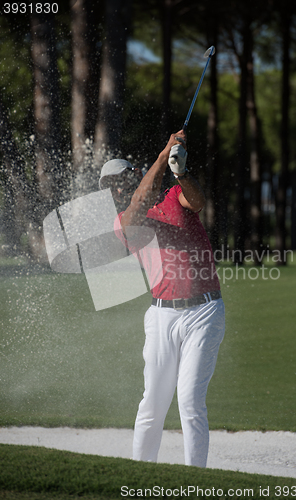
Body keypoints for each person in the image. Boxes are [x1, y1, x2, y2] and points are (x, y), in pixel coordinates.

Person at [99, 130, 225, 467]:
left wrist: (180, 172)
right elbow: (138, 205)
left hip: (204, 312)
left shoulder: (173, 196)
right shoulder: (123, 222)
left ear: (136, 176)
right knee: (152, 404)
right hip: (160, 317)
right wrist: (162, 154)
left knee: (189, 401)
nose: (119, 188)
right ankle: (141, 473)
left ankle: (196, 480)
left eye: (123, 180)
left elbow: (197, 202)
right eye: (111, 186)